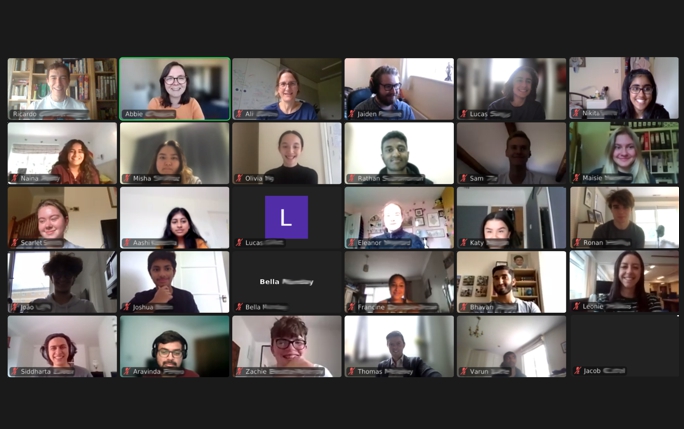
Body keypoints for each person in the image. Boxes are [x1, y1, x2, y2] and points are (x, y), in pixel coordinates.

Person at [124, 251, 199, 313]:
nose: (162, 274)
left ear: (174, 272)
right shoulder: (140, 297)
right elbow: (123, 317)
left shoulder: (186, 297)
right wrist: (155, 303)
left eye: (167, 269)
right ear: (150, 273)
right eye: (156, 269)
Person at [585, 126, 654, 184]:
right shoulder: (595, 175)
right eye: (617, 147)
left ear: (637, 150)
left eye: (630, 147)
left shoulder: (649, 179)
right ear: (611, 150)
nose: (624, 153)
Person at [29, 253, 96, 313]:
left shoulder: (86, 307)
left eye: (67, 274)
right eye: (58, 274)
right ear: (51, 278)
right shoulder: (35, 305)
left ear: (73, 279)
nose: (62, 278)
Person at [596, 251, 661, 312]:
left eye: (635, 267)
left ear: (641, 272)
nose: (629, 271)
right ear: (617, 271)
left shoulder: (652, 301)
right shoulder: (602, 301)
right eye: (624, 266)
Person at [268, 316, 333, 377]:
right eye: (282, 342)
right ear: (272, 349)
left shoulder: (320, 374)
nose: (291, 348)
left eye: (298, 342)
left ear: (305, 348)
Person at [363, 131, 433, 184]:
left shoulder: (428, 184)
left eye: (401, 149)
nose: (396, 154)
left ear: (408, 154)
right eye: (389, 150)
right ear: (382, 157)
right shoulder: (366, 186)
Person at [15, 199, 83, 249]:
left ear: (66, 221)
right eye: (42, 221)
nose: (47, 225)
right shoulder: (24, 247)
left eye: (53, 218)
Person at [470, 266, 540, 313]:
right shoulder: (480, 309)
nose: (500, 282)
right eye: (496, 278)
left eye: (504, 277)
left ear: (513, 282)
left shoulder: (530, 307)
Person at [376, 331, 441, 377]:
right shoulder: (381, 366)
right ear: (387, 346)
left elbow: (429, 372)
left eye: (398, 343)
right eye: (391, 344)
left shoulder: (416, 362)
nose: (395, 347)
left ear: (404, 345)